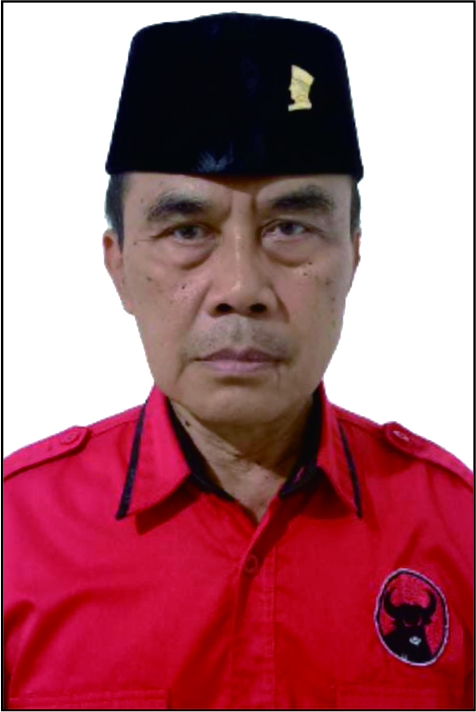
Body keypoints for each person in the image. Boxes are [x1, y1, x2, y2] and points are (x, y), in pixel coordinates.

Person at [3, 12, 473, 711]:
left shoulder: (457, 531)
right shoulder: (15, 537)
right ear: (118, 265)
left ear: (353, 256)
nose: (241, 287)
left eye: (290, 227)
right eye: (187, 230)